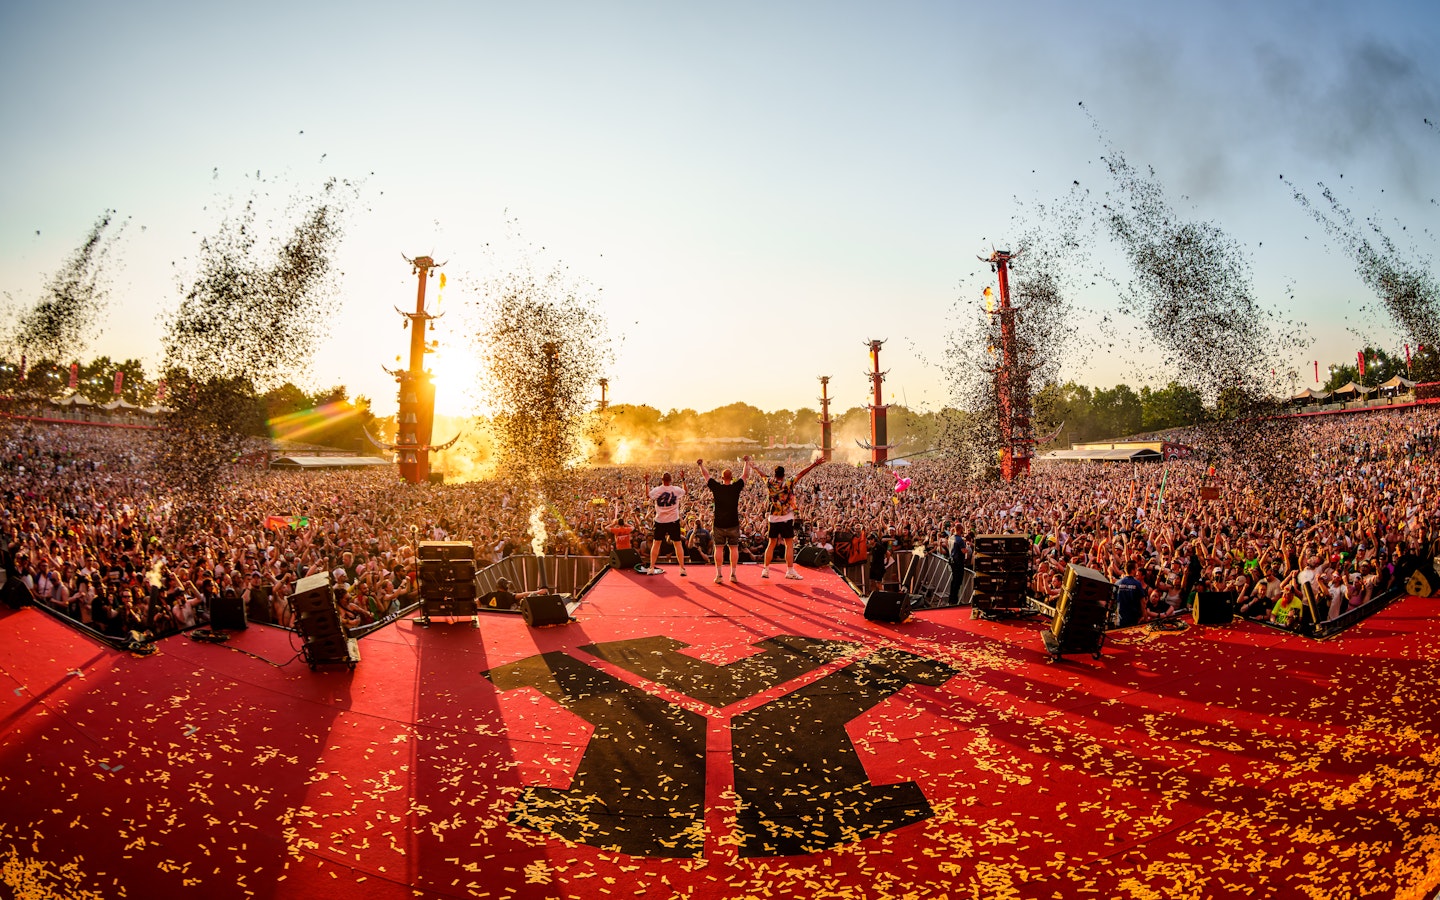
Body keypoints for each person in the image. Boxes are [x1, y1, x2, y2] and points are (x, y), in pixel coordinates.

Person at [759, 458, 824, 580]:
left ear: (775, 474)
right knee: (789, 544)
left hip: (773, 517)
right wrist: (814, 464)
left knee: (771, 544)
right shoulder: (788, 483)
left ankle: (766, 570)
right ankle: (789, 570)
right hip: (786, 517)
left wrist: (754, 467)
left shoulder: (769, 482)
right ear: (783, 475)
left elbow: (761, 474)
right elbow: (802, 473)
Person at [698, 456, 759, 583]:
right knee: (734, 548)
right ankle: (733, 574)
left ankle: (719, 575)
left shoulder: (717, 487)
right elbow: (745, 475)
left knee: (719, 548)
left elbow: (706, 476)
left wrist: (701, 465)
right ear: (732, 478)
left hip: (719, 523)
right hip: (733, 523)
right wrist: (746, 462)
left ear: (721, 478)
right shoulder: (735, 487)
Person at [643, 471, 687, 576]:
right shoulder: (676, 490)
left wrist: (646, 482)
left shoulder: (657, 490)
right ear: (671, 480)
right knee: (677, 544)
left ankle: (652, 567)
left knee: (656, 544)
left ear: (662, 480)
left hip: (660, 521)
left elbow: (647, 495)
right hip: (673, 521)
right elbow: (685, 491)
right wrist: (683, 479)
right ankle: (682, 568)